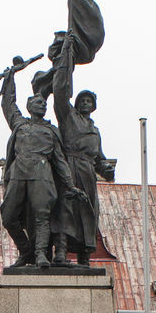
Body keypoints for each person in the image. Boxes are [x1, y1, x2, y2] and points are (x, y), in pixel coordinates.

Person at [0, 64, 86, 268]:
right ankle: (26, 250)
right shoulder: (19, 124)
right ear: (29, 107)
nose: (42, 105)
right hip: (19, 173)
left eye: (43, 103)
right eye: (38, 103)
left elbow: (60, 160)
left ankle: (40, 255)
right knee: (8, 216)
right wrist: (9, 79)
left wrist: (70, 185)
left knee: (42, 216)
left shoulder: (51, 130)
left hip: (42, 174)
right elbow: (8, 104)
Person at [52, 36, 114, 266]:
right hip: (68, 166)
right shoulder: (68, 117)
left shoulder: (95, 130)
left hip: (88, 173)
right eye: (83, 99)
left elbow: (99, 157)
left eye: (90, 100)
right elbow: (60, 91)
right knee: (64, 209)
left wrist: (106, 169)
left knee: (87, 213)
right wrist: (67, 54)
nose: (86, 102)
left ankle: (84, 256)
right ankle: (60, 251)